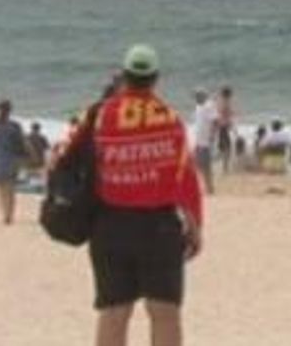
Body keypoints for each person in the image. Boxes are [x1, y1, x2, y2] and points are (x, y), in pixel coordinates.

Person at [56, 44, 203, 346]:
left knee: (113, 310)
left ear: (124, 75)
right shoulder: (170, 119)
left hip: (110, 224)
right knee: (164, 311)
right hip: (159, 226)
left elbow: (62, 157)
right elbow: (184, 177)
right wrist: (195, 224)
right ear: (155, 78)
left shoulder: (100, 114)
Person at [0, 100, 27, 225]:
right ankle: (9, 215)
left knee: (2, 189)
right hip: (11, 160)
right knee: (10, 189)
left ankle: (6, 214)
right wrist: (23, 158)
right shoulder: (14, 125)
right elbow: (21, 144)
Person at [191, 89, 219, 195]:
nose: (195, 99)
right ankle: (203, 187)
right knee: (197, 165)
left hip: (206, 142)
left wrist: (212, 136)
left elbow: (215, 121)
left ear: (203, 96)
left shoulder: (209, 106)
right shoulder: (199, 106)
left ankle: (210, 189)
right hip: (199, 141)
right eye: (195, 97)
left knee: (205, 166)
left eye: (197, 97)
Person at [216, 86, 236, 174]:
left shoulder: (221, 102)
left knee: (223, 148)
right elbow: (225, 115)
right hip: (224, 127)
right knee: (227, 148)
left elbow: (221, 114)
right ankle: (225, 168)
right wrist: (232, 127)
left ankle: (222, 167)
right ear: (228, 95)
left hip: (222, 127)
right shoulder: (225, 103)